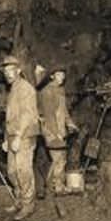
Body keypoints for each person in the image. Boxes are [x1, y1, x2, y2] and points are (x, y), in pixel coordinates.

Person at [0, 56, 40, 221]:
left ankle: (28, 204)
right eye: (6, 71)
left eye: (11, 70)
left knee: (23, 170)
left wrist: (17, 136)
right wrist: (6, 138)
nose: (8, 74)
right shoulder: (13, 89)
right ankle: (19, 199)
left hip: (24, 135)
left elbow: (27, 114)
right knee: (12, 171)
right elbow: (10, 117)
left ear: (19, 70)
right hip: (12, 136)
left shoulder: (25, 88)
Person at [36, 66, 78, 195]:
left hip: (60, 129)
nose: (62, 77)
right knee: (57, 160)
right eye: (59, 74)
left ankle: (56, 186)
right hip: (51, 130)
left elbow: (64, 111)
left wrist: (70, 124)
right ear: (52, 76)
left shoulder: (60, 90)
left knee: (61, 159)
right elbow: (48, 115)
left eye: (63, 74)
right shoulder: (47, 91)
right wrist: (56, 133)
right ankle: (53, 187)